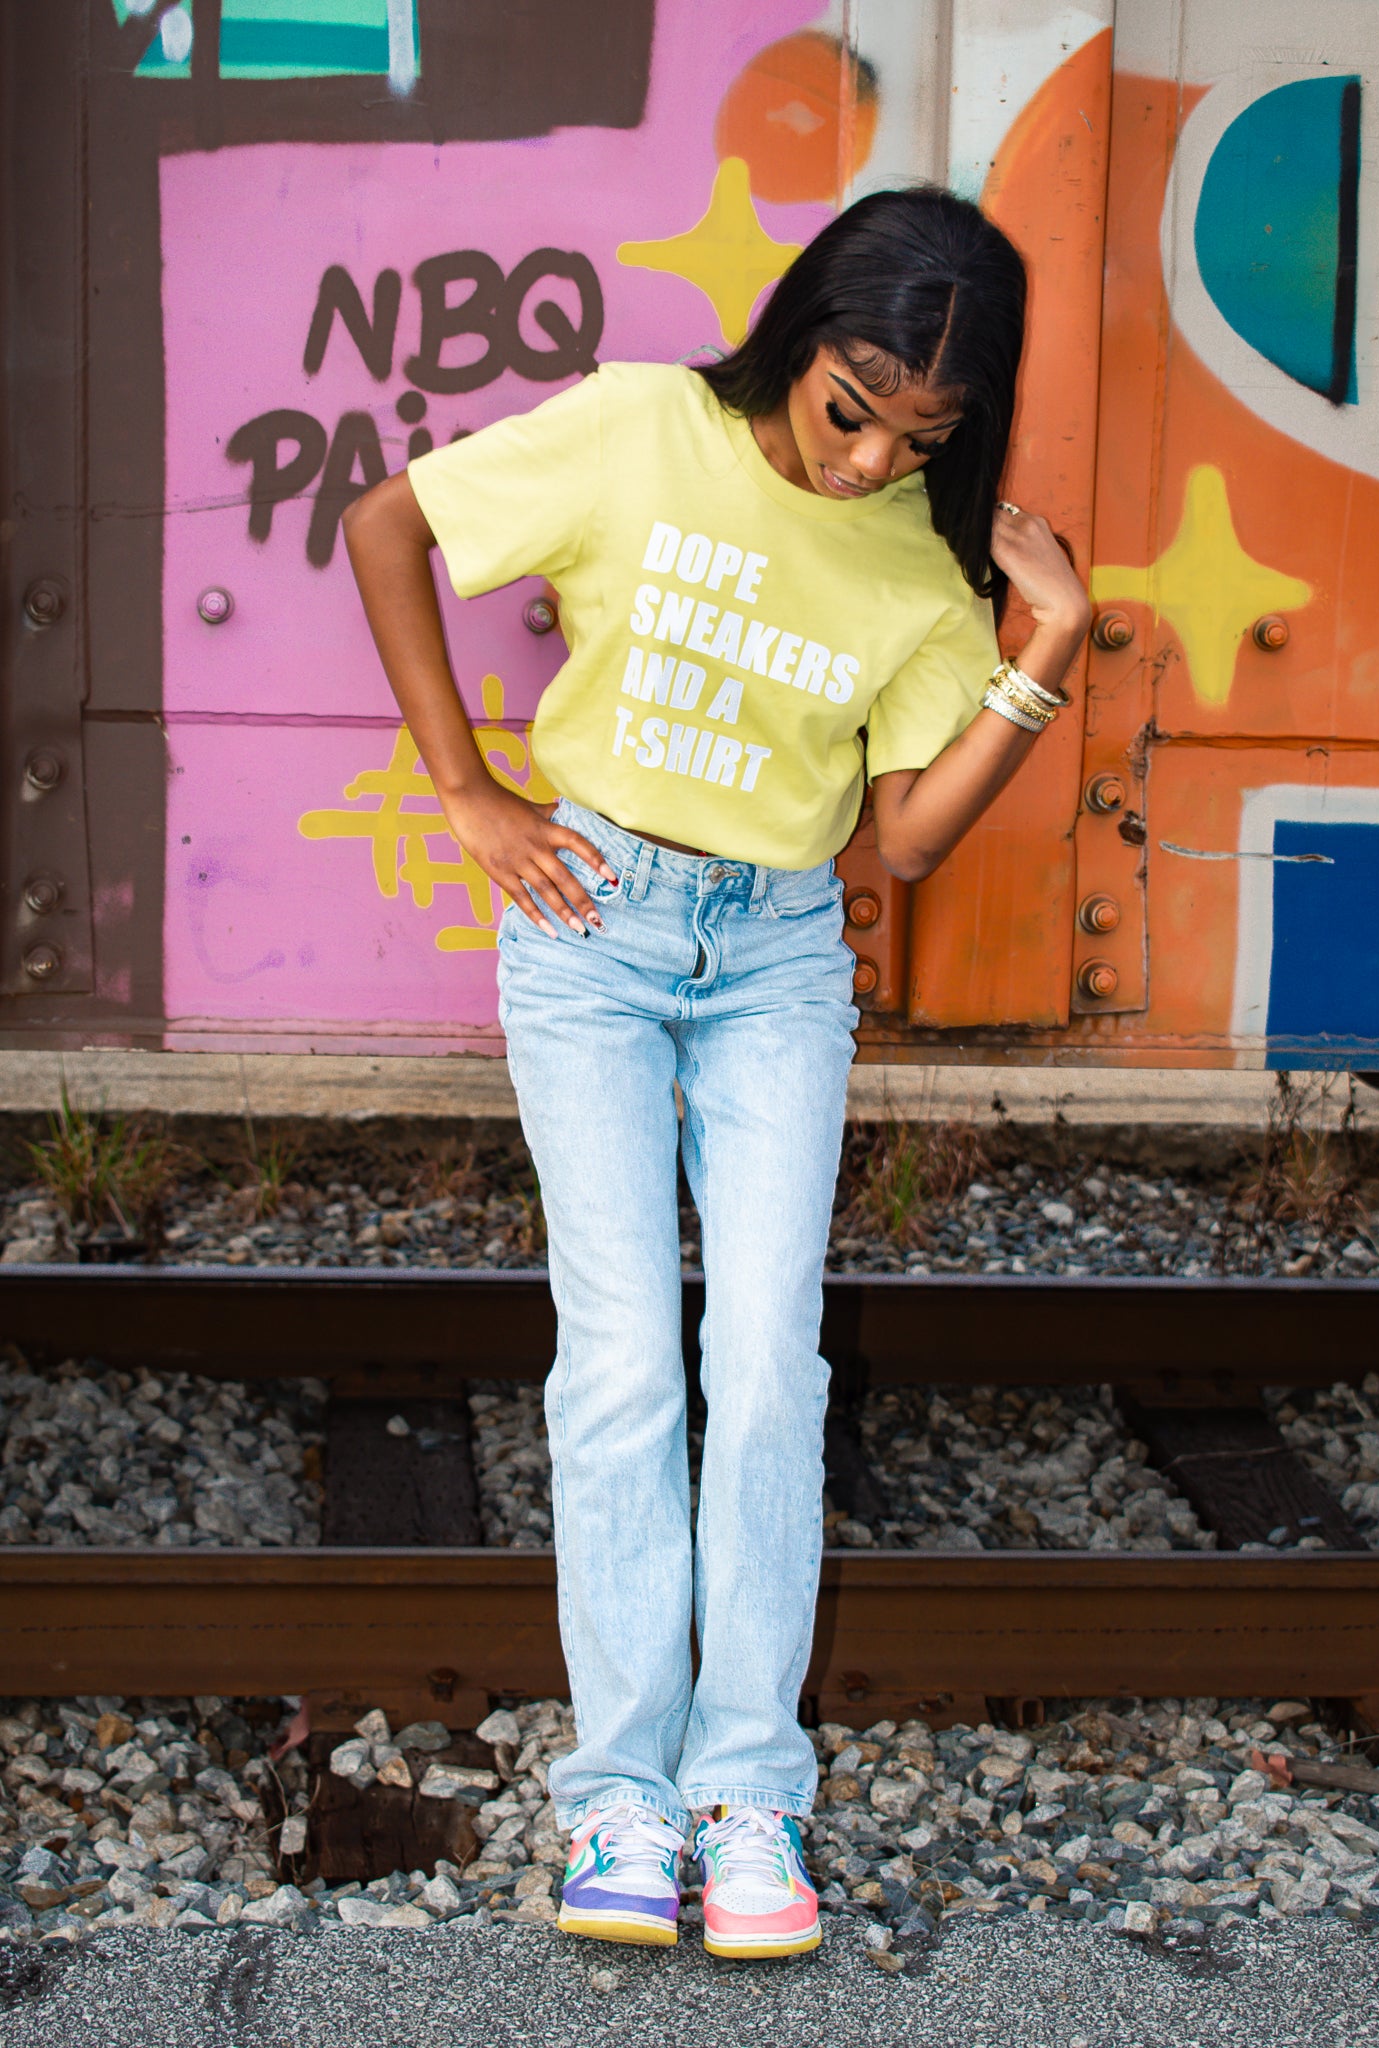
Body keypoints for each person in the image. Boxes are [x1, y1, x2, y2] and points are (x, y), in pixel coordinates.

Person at [343, 185, 1090, 1959]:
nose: (865, 462)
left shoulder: (921, 557)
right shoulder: (635, 428)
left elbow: (901, 845)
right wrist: (469, 790)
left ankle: (750, 1799)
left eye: (925, 434)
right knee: (620, 1365)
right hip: (591, 927)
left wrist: (1043, 651)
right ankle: (619, 1797)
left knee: (764, 1364)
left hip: (774, 960)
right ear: (799, 338)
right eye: (850, 409)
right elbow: (387, 523)